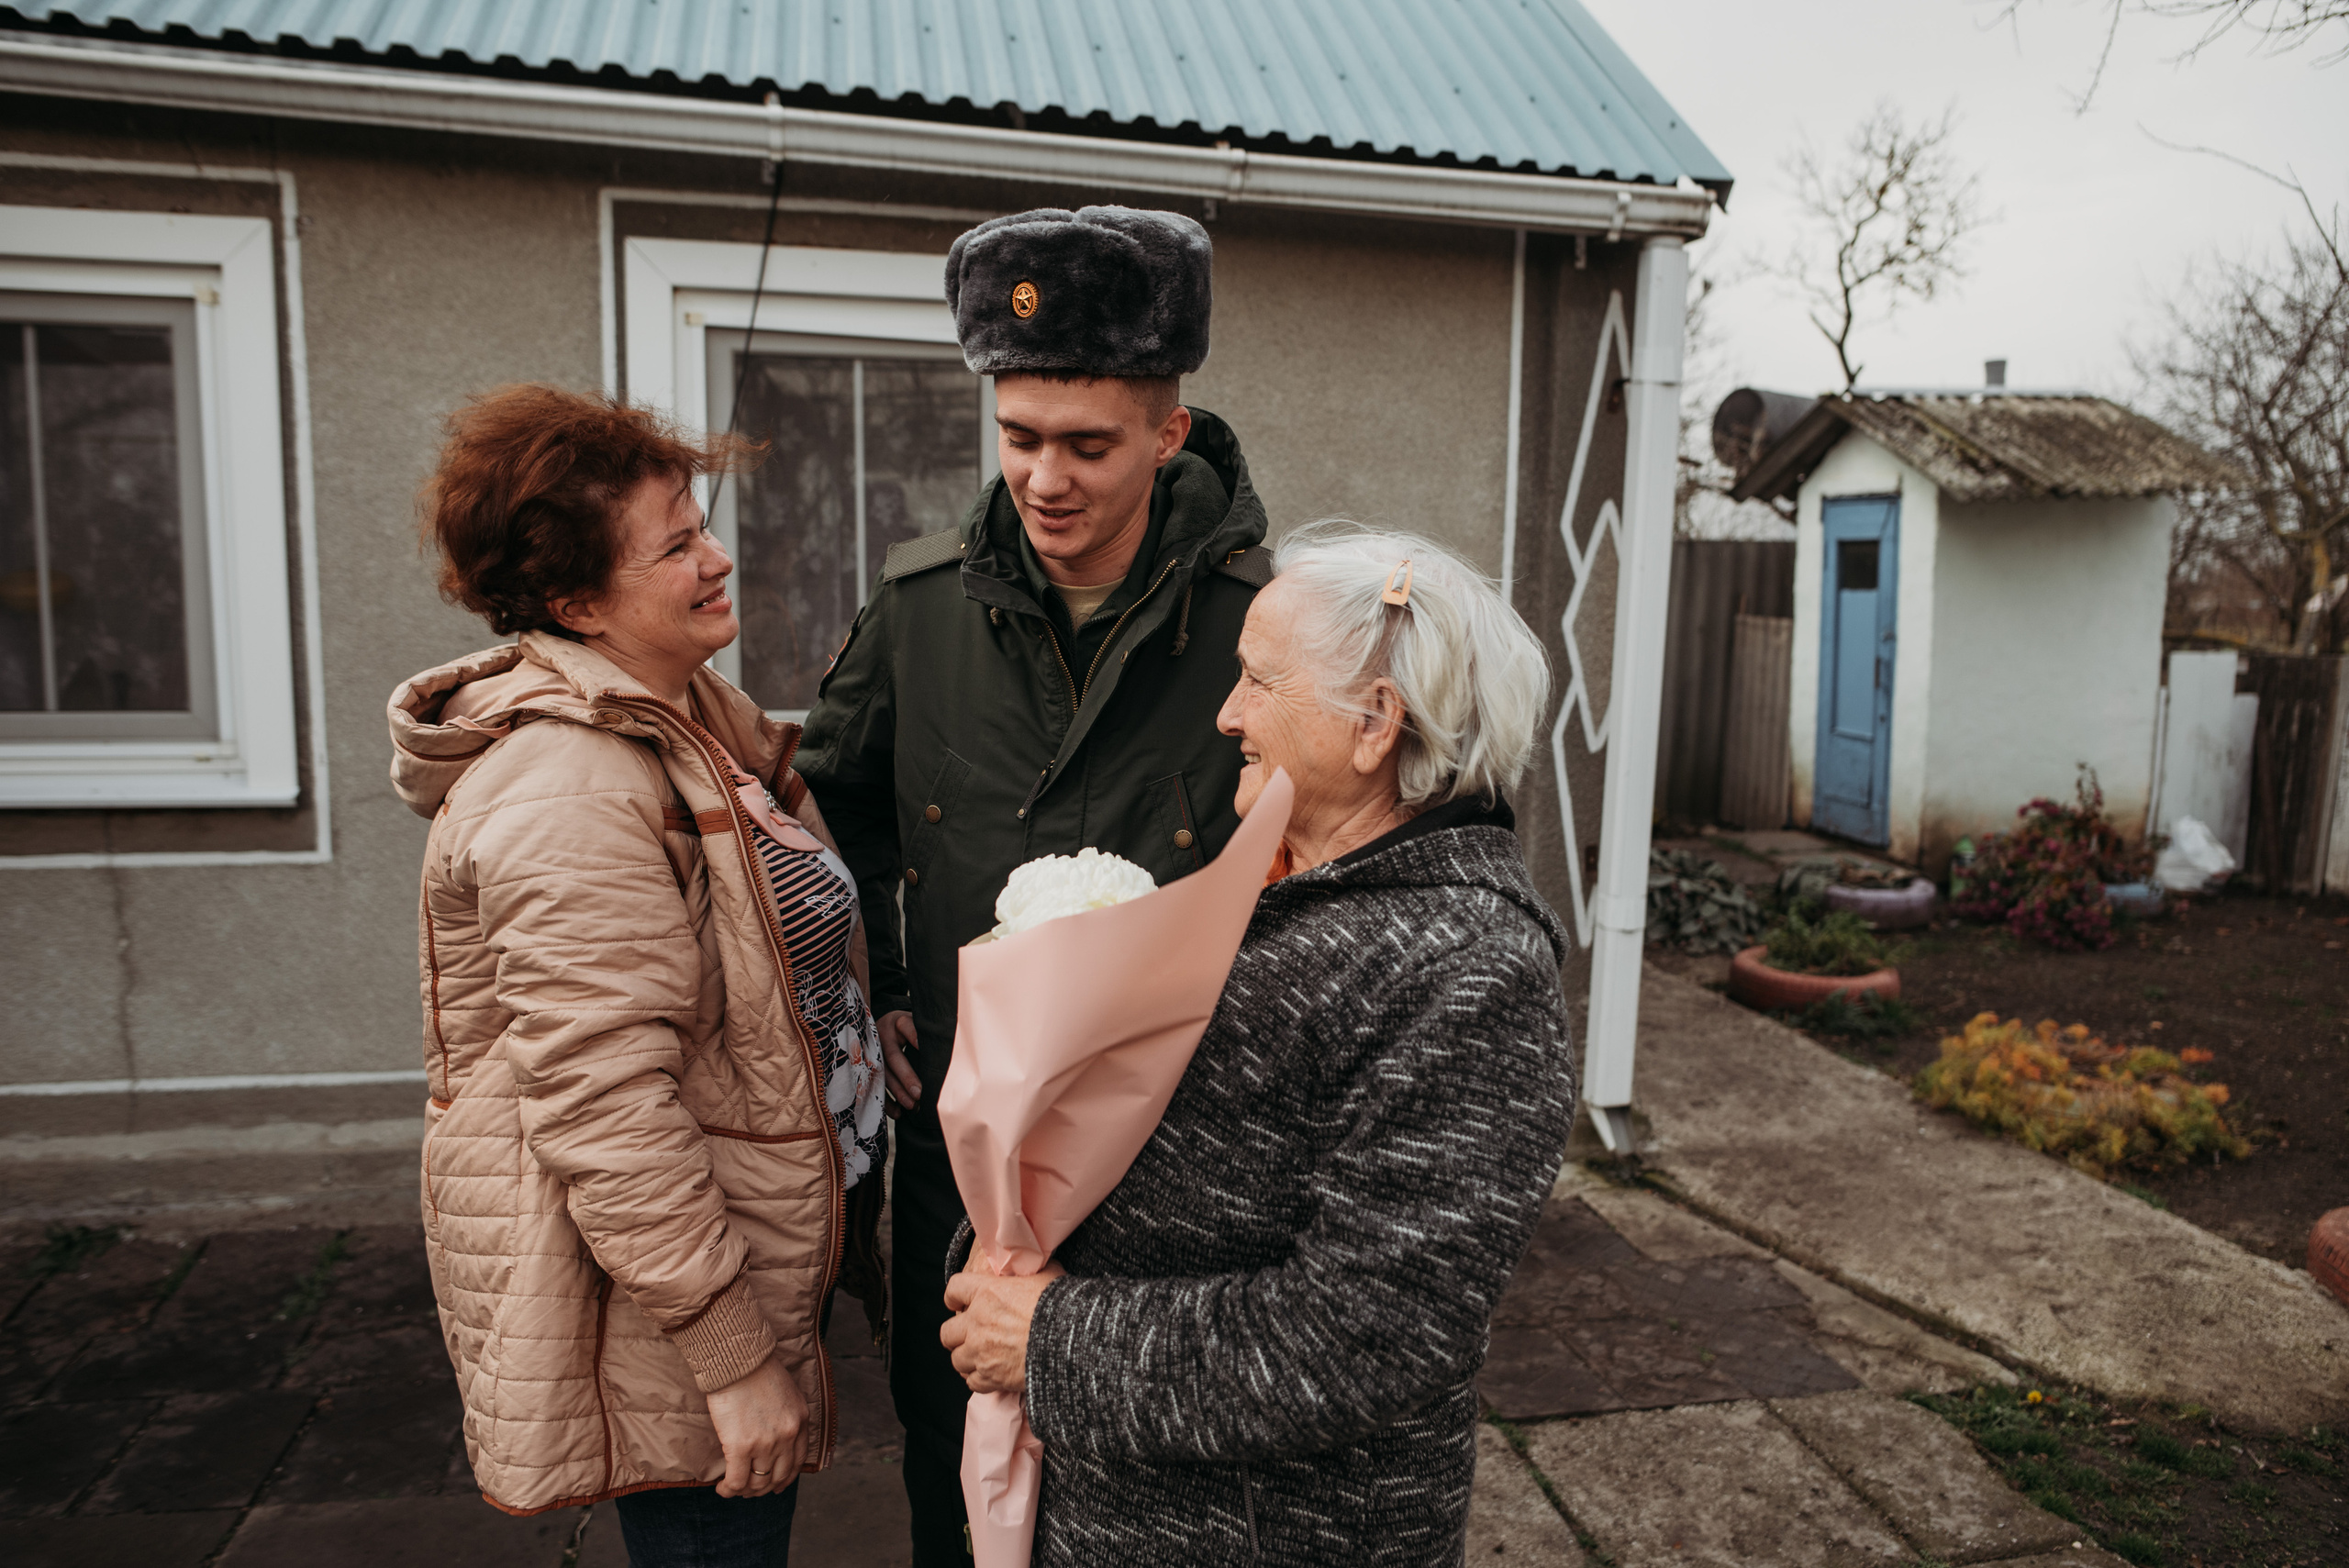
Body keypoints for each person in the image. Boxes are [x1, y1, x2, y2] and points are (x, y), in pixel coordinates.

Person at [938, 523, 1577, 1566]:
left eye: (1256, 682)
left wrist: (1049, 1340)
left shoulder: (1471, 968)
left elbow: (1375, 1330)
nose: (1227, 714)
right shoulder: (1273, 880)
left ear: (1375, 723)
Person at [795, 205, 1269, 1565]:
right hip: (966, 1170)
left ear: (1170, 434)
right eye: (1017, 438)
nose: (1043, 479)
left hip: (1178, 1167)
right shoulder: (922, 608)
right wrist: (878, 981)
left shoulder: (1262, 625)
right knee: (958, 1494)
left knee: (1155, 1511)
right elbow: (840, 810)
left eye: (1087, 445)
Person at [388, 384, 889, 1566]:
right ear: (572, 600)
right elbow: (607, 1106)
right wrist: (731, 1356)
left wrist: (860, 1023)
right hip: (670, 1297)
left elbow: (760, 945)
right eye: (675, 547)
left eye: (702, 525)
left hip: (736, 1236)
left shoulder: (686, 712)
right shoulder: (570, 786)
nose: (717, 558)